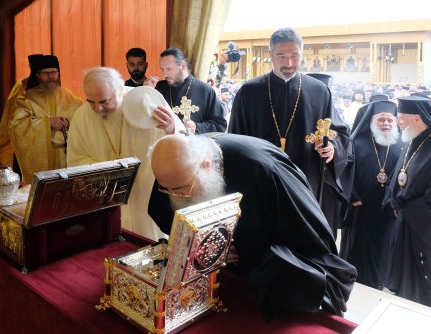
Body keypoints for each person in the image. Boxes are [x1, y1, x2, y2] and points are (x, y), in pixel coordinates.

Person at [148, 133, 356, 319]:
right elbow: (165, 213)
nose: (174, 196)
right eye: (166, 189)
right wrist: (204, 244)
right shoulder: (174, 168)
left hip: (262, 280)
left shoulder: (265, 171)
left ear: (206, 166)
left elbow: (308, 239)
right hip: (218, 282)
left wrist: (244, 248)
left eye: (181, 189)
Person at [228, 27, 351, 235]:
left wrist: (332, 150)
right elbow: (235, 139)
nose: (289, 63)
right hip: (261, 181)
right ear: (270, 55)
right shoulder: (249, 91)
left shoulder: (319, 91)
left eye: (295, 56)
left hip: (305, 181)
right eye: (281, 56)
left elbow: (338, 133)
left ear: (302, 54)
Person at [66, 67, 185, 240]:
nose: (97, 108)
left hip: (146, 190)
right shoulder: (81, 116)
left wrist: (171, 128)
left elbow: (182, 141)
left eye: (104, 101)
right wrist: (109, 173)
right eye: (91, 101)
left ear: (120, 90)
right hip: (108, 197)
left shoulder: (145, 101)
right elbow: (76, 159)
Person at [340, 100, 404, 290]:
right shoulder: (356, 143)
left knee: (385, 247)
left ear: (395, 122)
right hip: (362, 207)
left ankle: (380, 281)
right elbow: (343, 172)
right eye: (381, 120)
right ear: (371, 122)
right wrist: (352, 195)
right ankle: (356, 280)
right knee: (359, 248)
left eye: (389, 120)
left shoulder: (401, 145)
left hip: (387, 209)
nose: (386, 124)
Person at [383, 95, 431, 306]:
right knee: (405, 275)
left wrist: (409, 208)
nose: (398, 122)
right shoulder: (414, 139)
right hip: (405, 220)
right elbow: (399, 176)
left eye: (401, 118)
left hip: (422, 223)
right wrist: (394, 201)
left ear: (418, 119)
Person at [9, 55, 82, 184]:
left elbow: (82, 119)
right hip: (42, 155)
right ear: (37, 75)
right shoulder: (26, 99)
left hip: (66, 155)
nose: (51, 76)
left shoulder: (71, 98)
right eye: (46, 73)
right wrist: (47, 123)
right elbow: (16, 124)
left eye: (54, 72)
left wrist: (69, 122)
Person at [155, 47, 227, 134]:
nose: (165, 74)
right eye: (162, 69)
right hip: (163, 144)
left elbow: (220, 125)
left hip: (193, 145)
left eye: (168, 69)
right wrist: (146, 91)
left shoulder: (205, 90)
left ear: (183, 66)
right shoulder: (158, 88)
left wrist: (197, 127)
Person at [0, 54, 43, 173]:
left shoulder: (47, 86)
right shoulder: (22, 85)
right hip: (25, 131)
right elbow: (13, 111)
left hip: (43, 135)